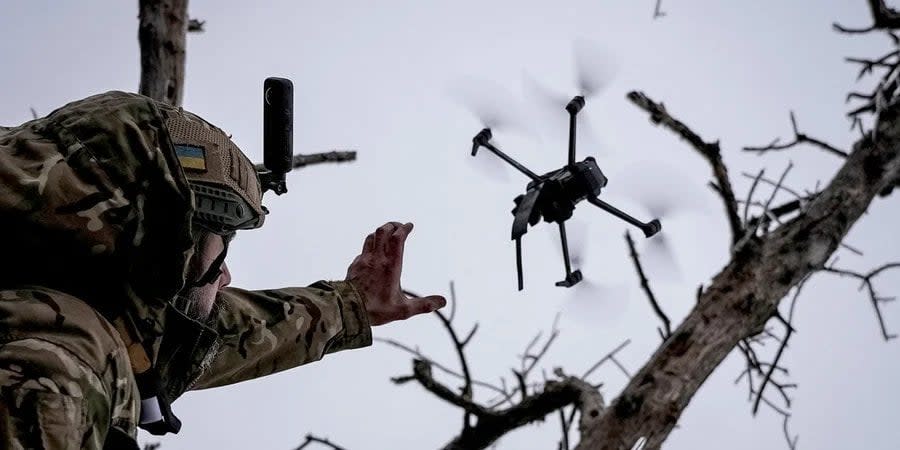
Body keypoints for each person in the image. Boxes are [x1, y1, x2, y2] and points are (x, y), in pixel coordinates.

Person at [0, 90, 446, 449]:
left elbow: (208, 330)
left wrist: (348, 306)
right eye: (219, 246)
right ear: (167, 248)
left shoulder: (56, 296)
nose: (226, 277)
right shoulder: (54, 364)